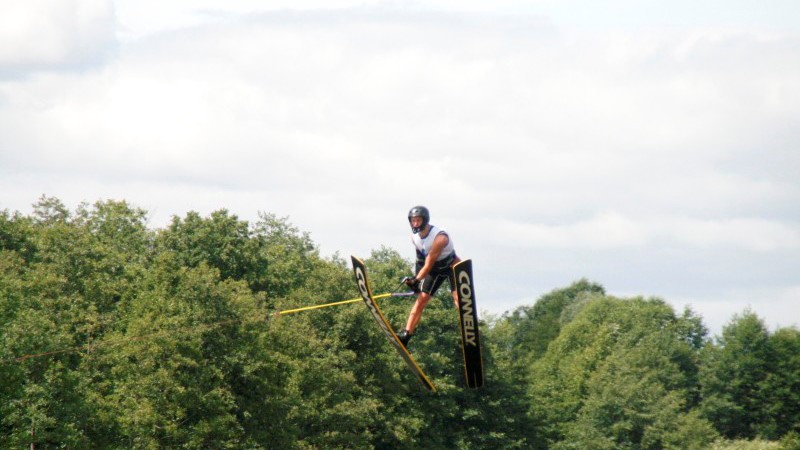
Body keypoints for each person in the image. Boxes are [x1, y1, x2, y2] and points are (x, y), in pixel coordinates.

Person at [397, 206, 461, 347]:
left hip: (452, 267)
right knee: (422, 300)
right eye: (412, 221)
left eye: (418, 220)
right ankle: (406, 335)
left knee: (458, 299)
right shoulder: (414, 238)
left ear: (425, 220)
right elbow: (420, 261)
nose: (415, 224)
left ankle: (467, 330)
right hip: (435, 270)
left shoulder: (440, 237)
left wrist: (418, 280)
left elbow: (429, 262)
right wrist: (415, 281)